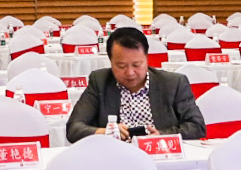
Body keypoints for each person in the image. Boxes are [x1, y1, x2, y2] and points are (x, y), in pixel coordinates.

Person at [66, 26, 205, 142]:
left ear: (147, 58)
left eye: (137, 65)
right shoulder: (100, 81)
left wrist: (161, 136)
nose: (130, 73)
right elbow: (73, 128)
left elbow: (197, 127)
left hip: (160, 155)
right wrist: (106, 132)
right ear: (110, 61)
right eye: (121, 66)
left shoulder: (173, 83)